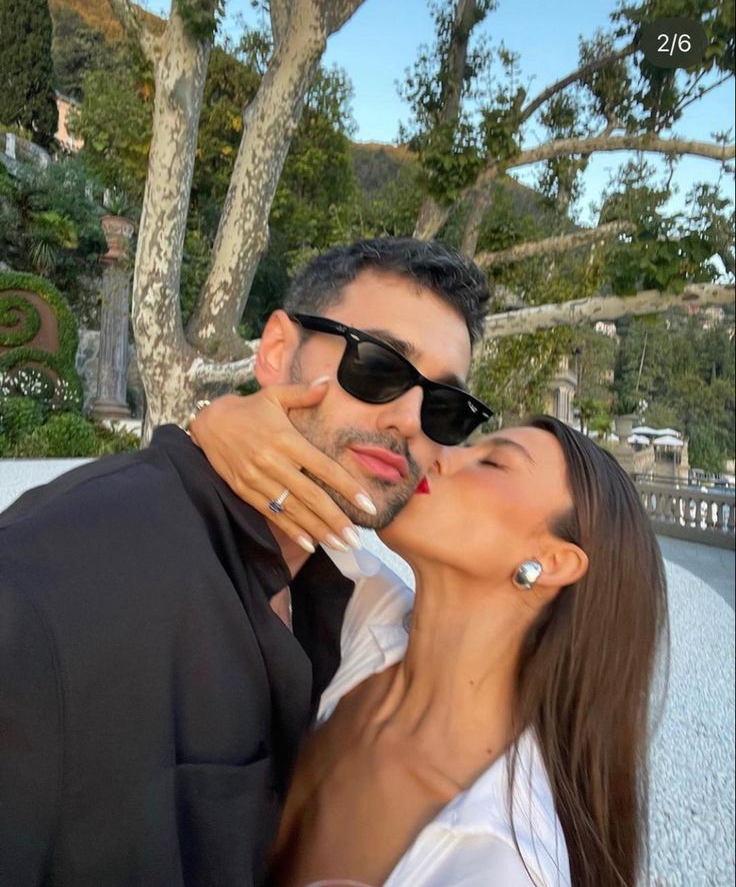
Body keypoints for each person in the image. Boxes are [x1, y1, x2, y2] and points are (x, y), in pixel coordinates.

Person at [0, 237, 492, 886]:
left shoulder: (341, 599)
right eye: (377, 366)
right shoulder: (65, 570)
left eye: (446, 407)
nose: (409, 419)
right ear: (277, 350)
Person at [189, 404, 668, 887]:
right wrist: (216, 421)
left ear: (553, 561)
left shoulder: (493, 862)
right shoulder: (368, 619)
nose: (437, 456)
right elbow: (252, 457)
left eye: (493, 462)